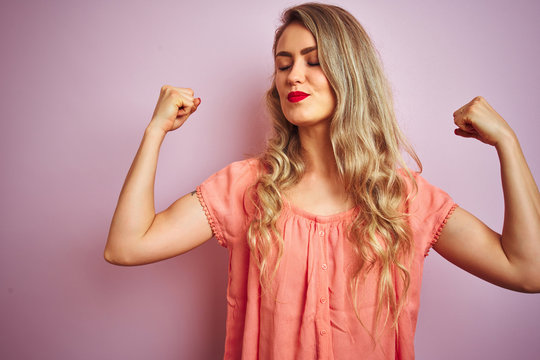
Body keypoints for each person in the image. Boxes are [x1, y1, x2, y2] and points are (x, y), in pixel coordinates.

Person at [104, 2, 540, 359]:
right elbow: (126, 246)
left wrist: (508, 143)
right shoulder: (247, 189)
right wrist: (154, 132)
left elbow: (528, 271)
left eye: (314, 62)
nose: (293, 75)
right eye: (283, 63)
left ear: (350, 73)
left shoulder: (403, 200)